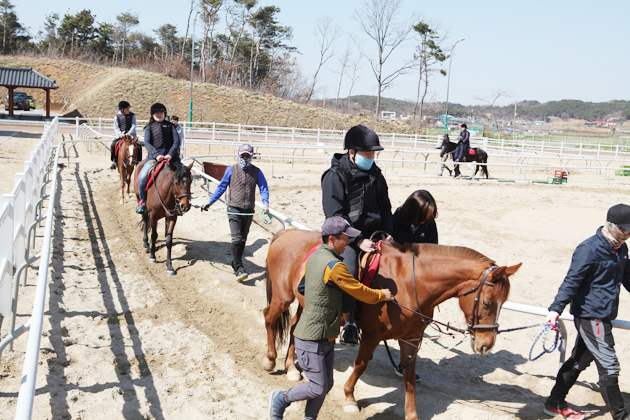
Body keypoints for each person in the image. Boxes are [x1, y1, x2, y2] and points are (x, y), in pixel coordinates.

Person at [268, 216, 395, 420]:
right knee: (318, 386)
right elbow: (358, 291)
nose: (348, 242)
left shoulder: (314, 256)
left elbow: (303, 286)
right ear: (332, 239)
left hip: (325, 335)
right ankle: (281, 399)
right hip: (312, 337)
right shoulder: (335, 266)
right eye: (345, 238)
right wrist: (382, 295)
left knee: (326, 385)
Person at [543, 204, 630, 420]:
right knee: (609, 367)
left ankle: (554, 403)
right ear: (611, 225)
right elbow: (571, 282)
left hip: (605, 314)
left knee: (579, 360)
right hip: (591, 316)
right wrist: (555, 309)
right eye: (624, 229)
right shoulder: (588, 249)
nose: (628, 234)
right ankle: (621, 416)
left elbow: (627, 277)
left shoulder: (621, 249)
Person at [321, 124, 393, 345]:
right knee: (349, 271)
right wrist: (358, 240)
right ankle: (348, 322)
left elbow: (385, 207)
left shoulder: (376, 175)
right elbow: (335, 215)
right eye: (367, 154)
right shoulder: (334, 176)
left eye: (373, 154)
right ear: (351, 152)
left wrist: (388, 232)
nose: (371, 158)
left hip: (376, 233)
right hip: (345, 236)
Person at [201, 143, 270, 282]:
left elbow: (263, 187)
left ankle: (235, 262)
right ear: (239, 156)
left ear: (252, 157)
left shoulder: (257, 172)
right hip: (233, 209)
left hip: (249, 210)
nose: (245, 158)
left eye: (247, 156)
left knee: (243, 239)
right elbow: (221, 187)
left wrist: (265, 203)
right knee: (236, 239)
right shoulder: (231, 170)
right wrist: (210, 202)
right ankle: (239, 268)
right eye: (242, 156)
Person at [136, 103, 181, 214]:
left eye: (161, 112)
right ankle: (142, 201)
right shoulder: (149, 128)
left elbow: (176, 141)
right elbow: (147, 143)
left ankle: (181, 201)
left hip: (171, 158)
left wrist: (170, 154)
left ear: (164, 114)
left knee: (183, 175)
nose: (159, 114)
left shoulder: (171, 126)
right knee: (142, 177)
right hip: (154, 158)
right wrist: (156, 155)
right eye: (156, 113)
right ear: (153, 114)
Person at [109, 100, 138, 170]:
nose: (128, 110)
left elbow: (134, 125)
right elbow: (116, 127)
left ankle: (138, 161)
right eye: (127, 109)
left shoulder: (132, 115)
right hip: (121, 135)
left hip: (131, 135)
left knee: (138, 147)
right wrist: (120, 134)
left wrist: (129, 132)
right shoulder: (117, 116)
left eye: (128, 108)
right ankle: (114, 161)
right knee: (113, 145)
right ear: (122, 110)